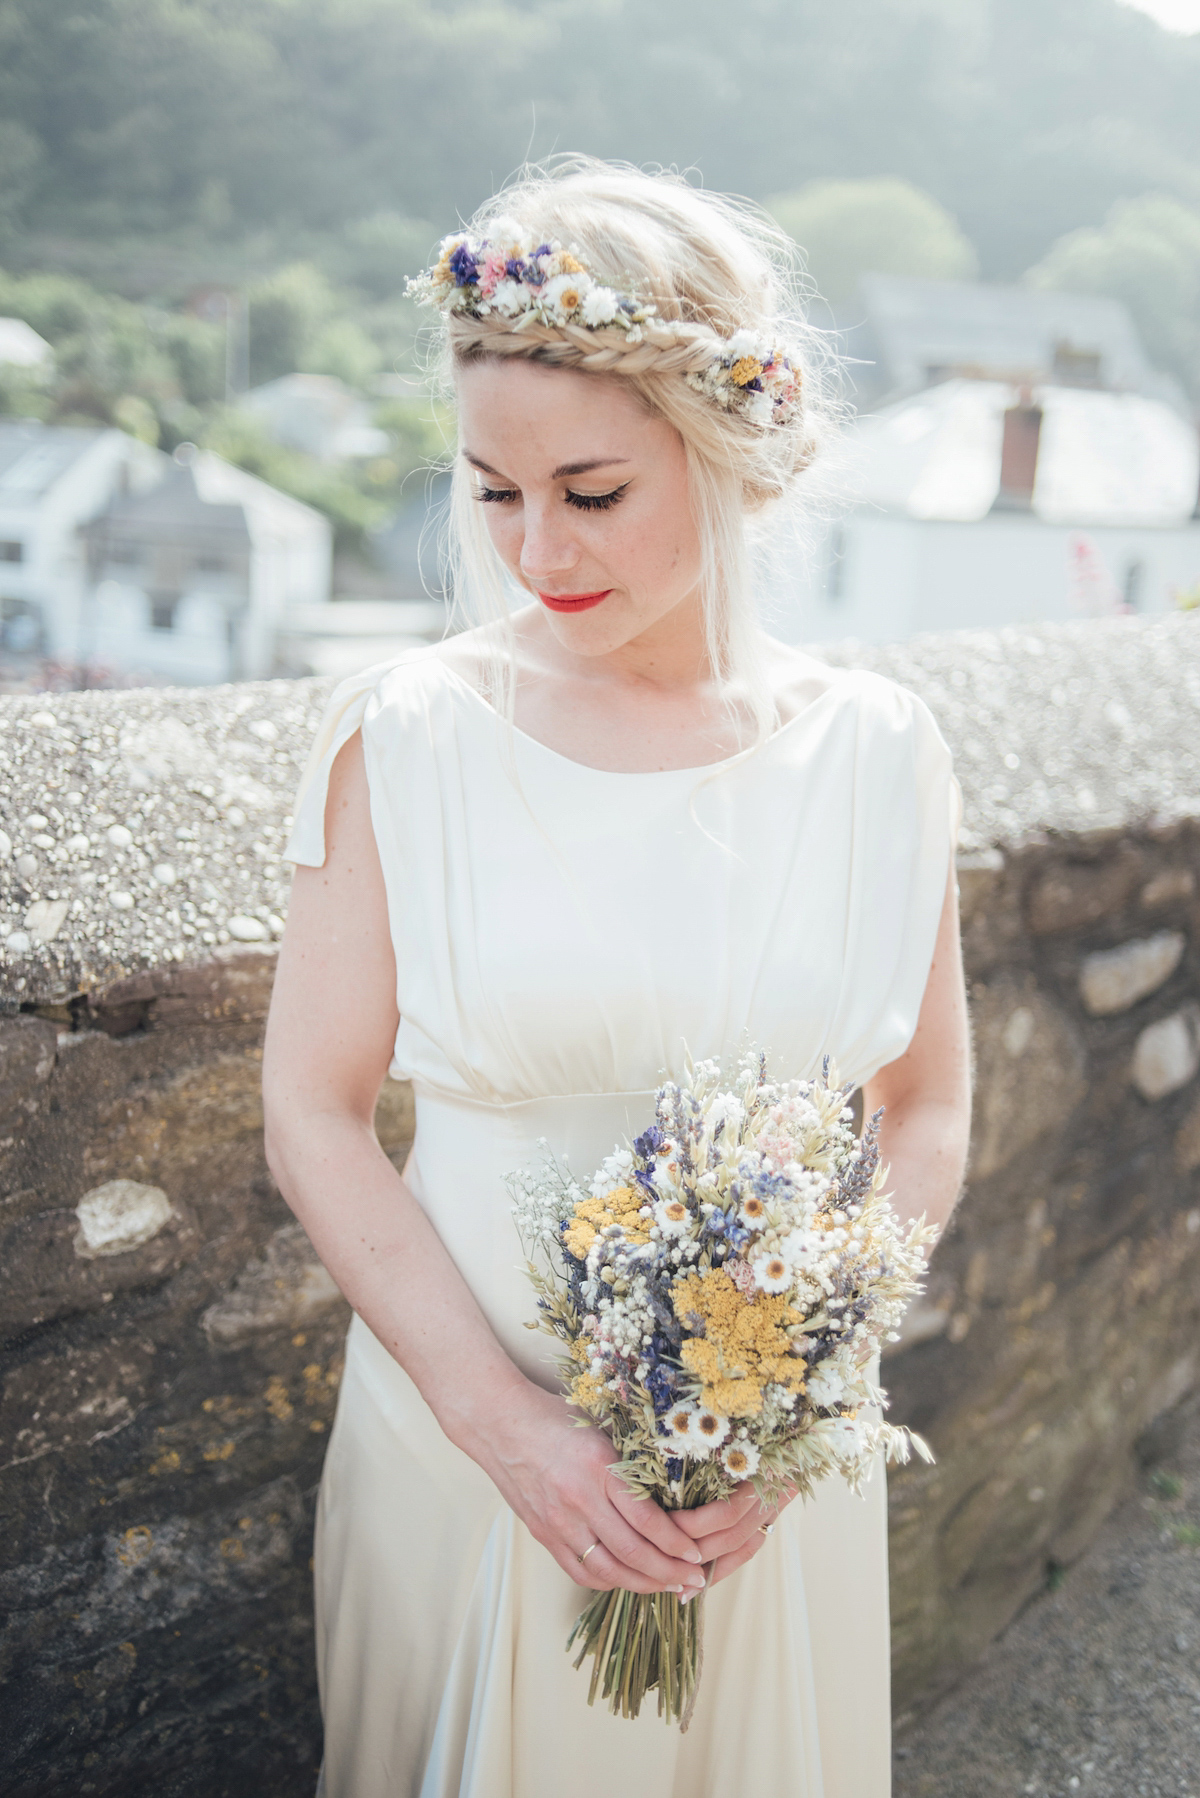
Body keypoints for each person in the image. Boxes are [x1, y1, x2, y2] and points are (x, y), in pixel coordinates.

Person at [262, 156, 972, 1798]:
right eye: (493, 492)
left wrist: (801, 1399)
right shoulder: (403, 736)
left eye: (589, 492)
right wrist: (513, 1436)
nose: (534, 550)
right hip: (463, 1460)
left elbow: (924, 1106)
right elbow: (311, 1111)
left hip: (765, 1495)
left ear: (726, 450)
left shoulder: (879, 751)